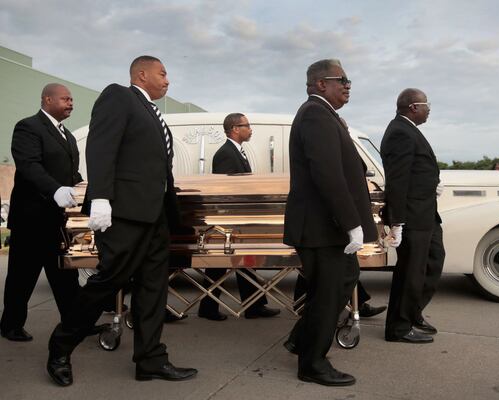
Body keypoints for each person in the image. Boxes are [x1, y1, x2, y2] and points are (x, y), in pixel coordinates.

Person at [46, 56, 197, 386]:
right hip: (125, 214)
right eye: (163, 73)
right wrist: (100, 197)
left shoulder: (152, 113)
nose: (168, 79)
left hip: (155, 216)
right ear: (142, 75)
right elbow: (102, 146)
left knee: (153, 289)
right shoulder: (119, 96)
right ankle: (60, 346)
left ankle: (151, 360)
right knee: (107, 281)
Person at [282, 59, 378, 387]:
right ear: (321, 84)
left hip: (325, 226)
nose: (348, 85)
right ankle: (312, 363)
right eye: (343, 79)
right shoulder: (315, 114)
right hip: (322, 227)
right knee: (329, 291)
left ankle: (300, 340)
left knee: (340, 282)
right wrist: (351, 222)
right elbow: (327, 173)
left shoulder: (325, 115)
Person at [0, 84, 81, 342]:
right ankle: (11, 325)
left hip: (57, 221)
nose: (71, 103)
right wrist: (55, 190)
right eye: (65, 99)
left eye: (72, 100)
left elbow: (70, 174)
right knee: (22, 276)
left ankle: (75, 322)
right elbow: (29, 166)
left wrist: (85, 189)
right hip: (31, 219)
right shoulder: (28, 127)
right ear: (47, 99)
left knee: (65, 275)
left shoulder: (67, 135)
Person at [197, 113, 280, 320]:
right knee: (222, 265)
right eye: (247, 125)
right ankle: (211, 308)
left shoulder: (236, 151)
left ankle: (252, 306)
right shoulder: (225, 153)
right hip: (230, 221)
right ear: (235, 128)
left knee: (242, 261)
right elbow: (226, 191)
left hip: (237, 220)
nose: (250, 129)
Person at [380, 88, 445, 344]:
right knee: (411, 271)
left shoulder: (408, 130)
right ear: (413, 107)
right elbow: (398, 180)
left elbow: (416, 171)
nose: (430, 108)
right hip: (412, 215)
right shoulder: (400, 132)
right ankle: (399, 327)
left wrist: (432, 184)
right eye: (427, 104)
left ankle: (412, 313)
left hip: (426, 212)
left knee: (433, 260)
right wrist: (397, 222)